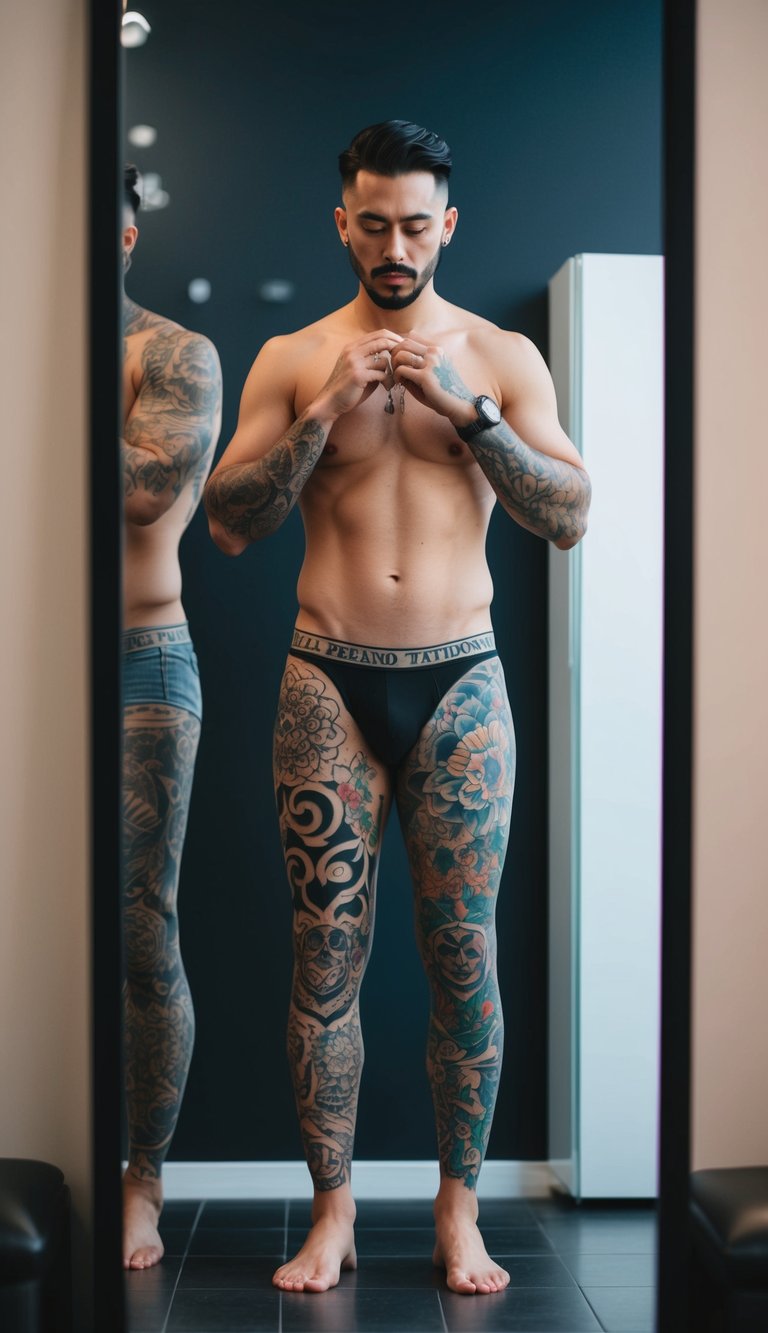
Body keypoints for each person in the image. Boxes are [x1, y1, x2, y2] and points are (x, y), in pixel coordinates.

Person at [204, 120, 590, 1296]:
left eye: (416, 225)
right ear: (343, 222)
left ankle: (457, 1214)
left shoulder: (502, 354)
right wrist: (320, 415)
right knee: (326, 959)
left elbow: (568, 513)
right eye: (373, 224)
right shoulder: (290, 355)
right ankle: (333, 1214)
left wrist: (473, 414)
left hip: (463, 681)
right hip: (328, 676)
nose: (394, 246)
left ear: (447, 226)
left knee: (462, 957)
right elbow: (228, 521)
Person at [121, 165, 222, 1269]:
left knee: (142, 930)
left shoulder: (176, 353)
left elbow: (149, 488)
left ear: (129, 234)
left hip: (145, 658)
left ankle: (143, 1175)